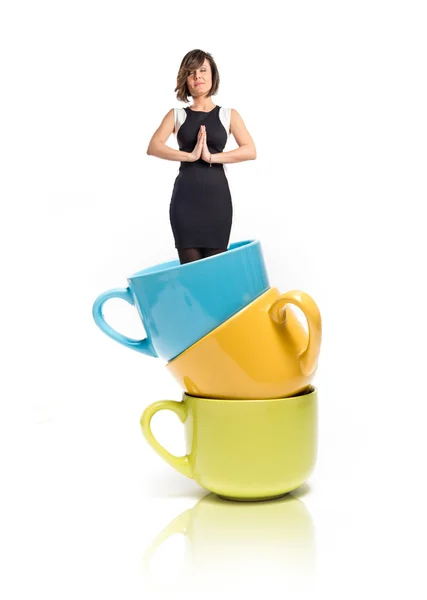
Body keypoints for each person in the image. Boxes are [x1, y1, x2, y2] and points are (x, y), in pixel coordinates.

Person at [146, 49, 257, 264]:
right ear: (185, 80)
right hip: (185, 202)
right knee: (190, 273)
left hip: (217, 203)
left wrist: (211, 158)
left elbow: (250, 150)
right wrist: (190, 156)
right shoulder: (176, 114)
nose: (198, 76)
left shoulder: (228, 114)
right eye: (191, 72)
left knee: (215, 273)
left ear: (213, 75)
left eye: (203, 70)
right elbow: (153, 146)